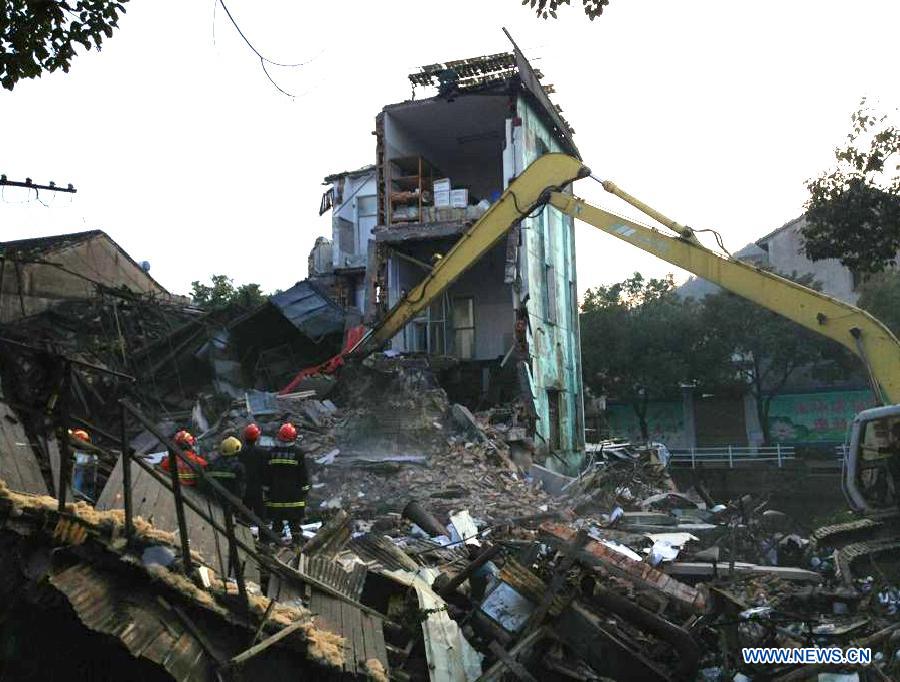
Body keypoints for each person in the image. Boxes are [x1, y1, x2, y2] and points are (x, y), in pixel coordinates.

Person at [265, 422, 308, 544]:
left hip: (275, 497)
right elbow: (303, 475)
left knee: (277, 525)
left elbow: (266, 476)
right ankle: (298, 547)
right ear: (294, 437)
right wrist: (305, 491)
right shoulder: (298, 453)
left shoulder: (270, 453)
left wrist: (266, 491)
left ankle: (274, 547)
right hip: (294, 498)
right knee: (295, 526)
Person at [239, 423, 266, 521]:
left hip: (245, 489)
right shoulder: (263, 453)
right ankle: (264, 536)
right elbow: (266, 471)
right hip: (259, 489)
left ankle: (244, 535)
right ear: (257, 437)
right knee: (261, 517)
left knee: (245, 518)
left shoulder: (240, 453)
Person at [206, 436, 246, 501]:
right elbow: (241, 487)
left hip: (214, 498)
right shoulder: (239, 467)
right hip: (232, 500)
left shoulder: (213, 463)